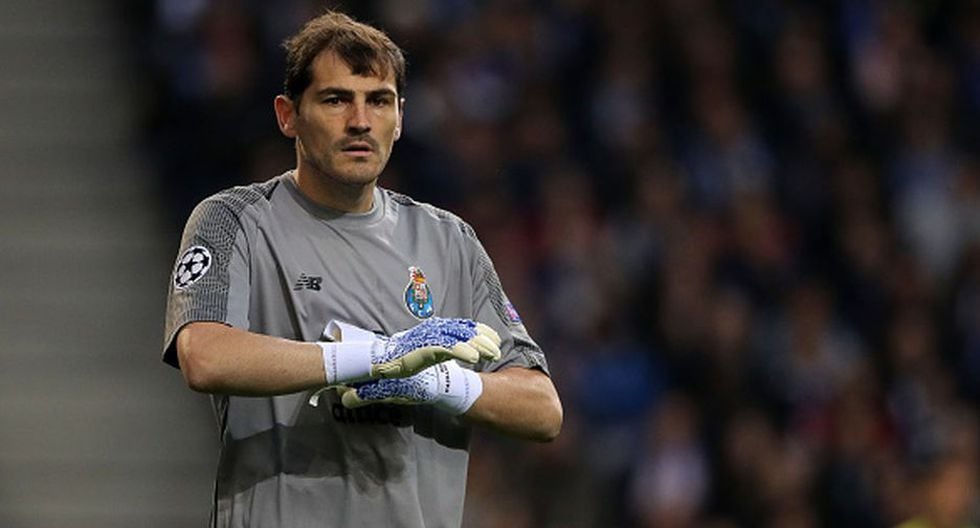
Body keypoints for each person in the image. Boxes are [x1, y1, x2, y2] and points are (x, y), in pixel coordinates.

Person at [162, 10, 562, 528]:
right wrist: (373, 358)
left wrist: (437, 383)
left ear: (400, 117)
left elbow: (542, 408)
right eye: (336, 99)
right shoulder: (234, 220)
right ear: (288, 115)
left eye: (379, 100)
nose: (360, 121)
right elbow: (204, 356)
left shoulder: (449, 241)